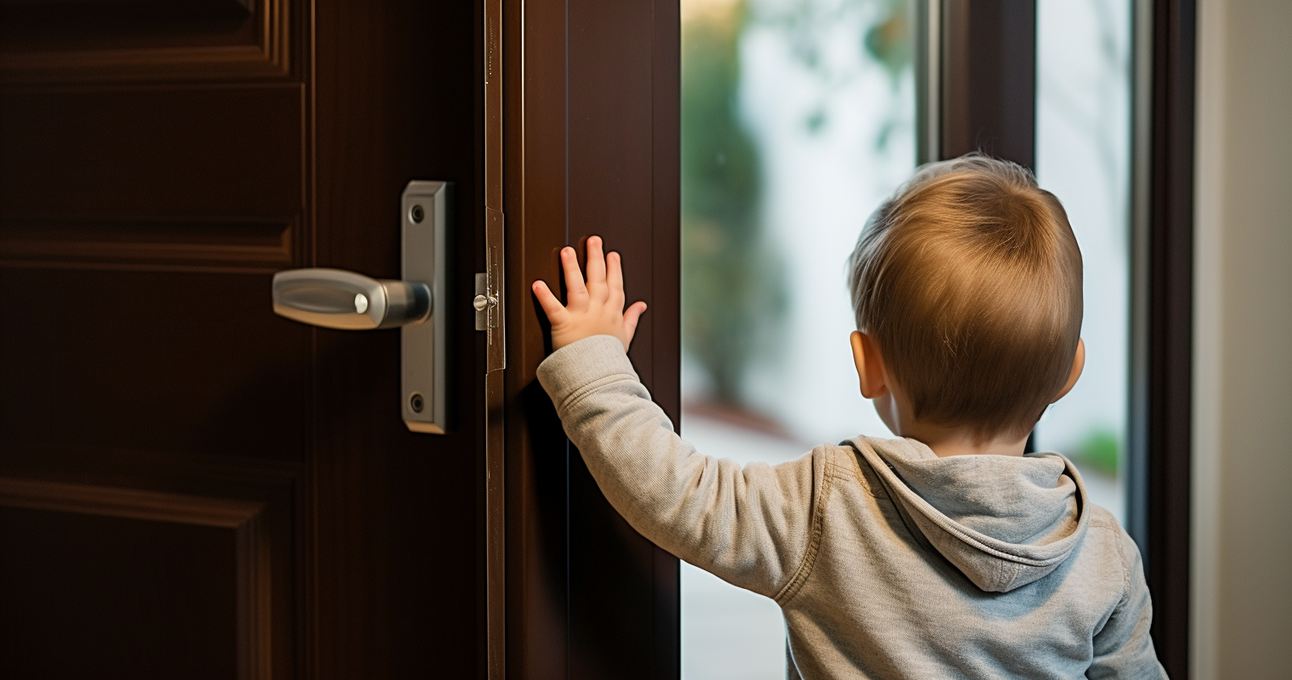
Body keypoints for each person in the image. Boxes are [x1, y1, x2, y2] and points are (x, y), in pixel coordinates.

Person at [530, 154, 1167, 679]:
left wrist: (594, 360)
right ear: (1068, 373)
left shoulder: (826, 507)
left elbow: (675, 491)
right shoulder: (1102, 554)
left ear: (868, 364)